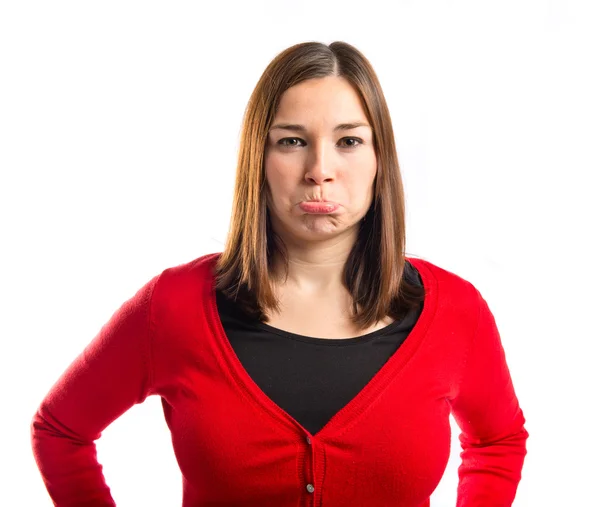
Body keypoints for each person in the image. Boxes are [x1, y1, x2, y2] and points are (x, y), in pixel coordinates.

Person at [30, 40, 528, 507]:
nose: (320, 169)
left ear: (381, 161)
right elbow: (60, 430)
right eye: (292, 141)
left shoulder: (455, 312)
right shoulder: (174, 306)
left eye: (349, 140)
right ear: (258, 160)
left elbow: (497, 440)